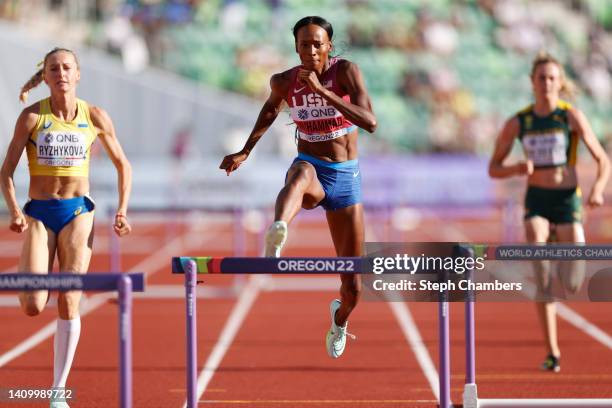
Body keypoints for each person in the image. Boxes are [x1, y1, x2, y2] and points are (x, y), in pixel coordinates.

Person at [220, 16, 376, 358]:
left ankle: (340, 319)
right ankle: (277, 231)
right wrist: (245, 151)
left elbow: (371, 122)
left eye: (317, 43)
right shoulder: (285, 81)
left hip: (346, 178)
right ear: (296, 47)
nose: (310, 50)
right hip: (314, 169)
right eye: (304, 44)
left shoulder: (346, 72)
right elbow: (269, 111)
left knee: (354, 286)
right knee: (299, 173)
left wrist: (323, 92)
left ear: (329, 46)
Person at [0, 47, 132, 407]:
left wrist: (121, 210)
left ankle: (58, 391)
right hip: (39, 214)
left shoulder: (94, 115)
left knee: (70, 299)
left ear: (78, 74)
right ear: (45, 76)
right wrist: (14, 210)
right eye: (53, 68)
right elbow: (6, 171)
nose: (60, 73)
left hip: (78, 212)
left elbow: (123, 165)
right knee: (32, 304)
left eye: (66, 67)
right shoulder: (31, 118)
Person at [489, 52, 609, 372]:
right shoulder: (520, 121)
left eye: (552, 78)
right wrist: (516, 166)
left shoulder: (571, 117)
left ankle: (561, 249)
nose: (546, 84)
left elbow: (603, 159)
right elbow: (493, 168)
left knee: (571, 284)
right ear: (532, 82)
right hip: (538, 200)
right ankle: (552, 350)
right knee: (542, 273)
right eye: (541, 78)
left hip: (568, 201)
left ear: (560, 82)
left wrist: (597, 190)